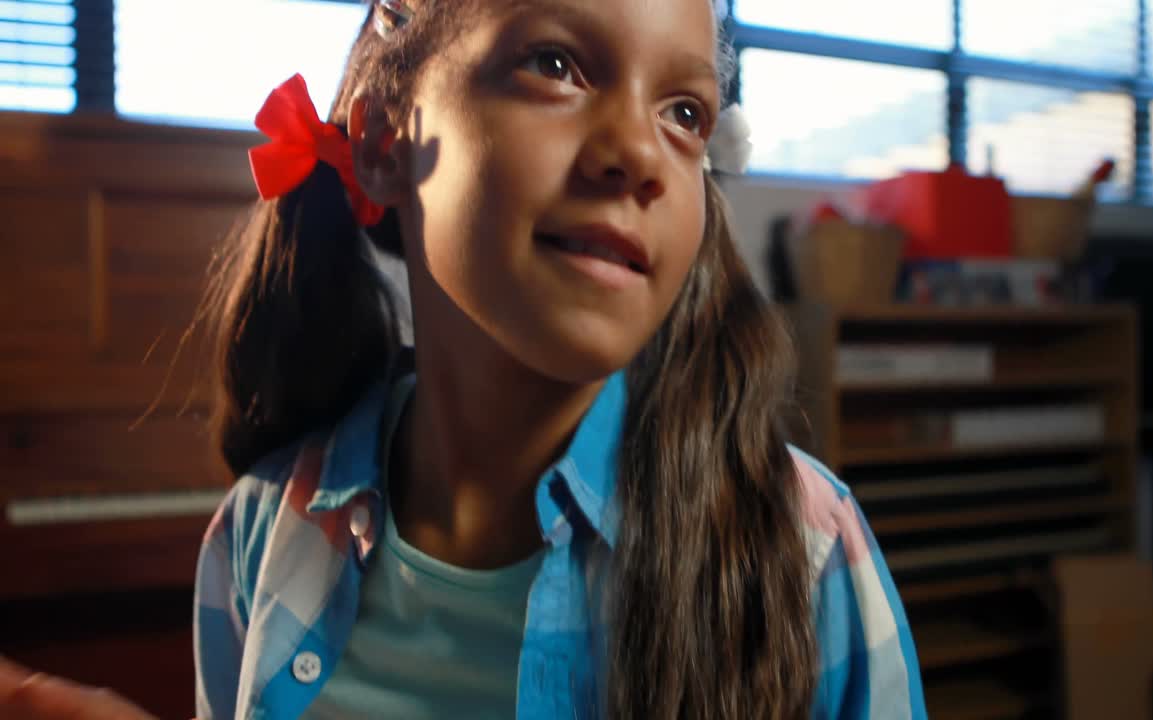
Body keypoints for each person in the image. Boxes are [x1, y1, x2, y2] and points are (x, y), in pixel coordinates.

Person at [0, 0, 925, 717]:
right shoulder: (256, 536)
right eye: (556, 64)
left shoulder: (802, 550)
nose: (643, 153)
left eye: (684, 112)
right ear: (380, 144)